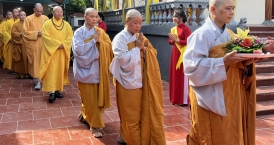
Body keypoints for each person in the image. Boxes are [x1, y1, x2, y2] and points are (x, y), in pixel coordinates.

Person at [183, 0, 258, 145]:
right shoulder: (202, 35)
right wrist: (222, 62)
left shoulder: (230, 35)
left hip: (233, 92)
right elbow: (192, 67)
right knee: (215, 133)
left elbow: (240, 63)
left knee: (231, 132)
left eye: (233, 8)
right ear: (213, 9)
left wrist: (252, 58)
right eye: (228, 8)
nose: (232, 12)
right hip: (212, 96)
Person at [109, 9, 166, 144]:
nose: (138, 26)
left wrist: (144, 49)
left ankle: (124, 136)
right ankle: (133, 140)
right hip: (126, 82)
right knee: (130, 116)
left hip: (141, 81)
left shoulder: (139, 37)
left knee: (141, 113)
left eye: (140, 23)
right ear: (127, 21)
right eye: (135, 23)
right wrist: (138, 49)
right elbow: (123, 60)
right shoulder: (120, 39)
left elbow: (152, 52)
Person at [72, 8, 113, 138]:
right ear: (85, 17)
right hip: (84, 70)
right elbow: (78, 51)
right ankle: (94, 124)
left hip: (98, 70)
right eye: (92, 17)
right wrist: (93, 41)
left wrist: (100, 42)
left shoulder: (100, 32)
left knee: (95, 99)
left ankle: (89, 118)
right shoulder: (79, 32)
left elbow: (109, 47)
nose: (95, 19)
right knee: (88, 97)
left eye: (96, 17)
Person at [39, 6, 73, 103]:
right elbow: (45, 36)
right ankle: (51, 92)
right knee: (51, 71)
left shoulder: (66, 24)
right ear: (53, 13)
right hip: (51, 52)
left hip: (62, 52)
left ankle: (58, 89)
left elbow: (70, 36)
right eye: (57, 11)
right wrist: (57, 44)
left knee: (59, 71)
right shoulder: (47, 24)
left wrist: (64, 44)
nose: (59, 13)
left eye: (61, 12)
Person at [23, 3, 49, 89]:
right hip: (34, 45)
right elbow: (25, 32)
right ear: (34, 9)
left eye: (41, 11)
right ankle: (37, 81)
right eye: (38, 11)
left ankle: (46, 80)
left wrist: (44, 33)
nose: (40, 13)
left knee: (45, 62)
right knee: (36, 64)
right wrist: (36, 34)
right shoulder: (28, 19)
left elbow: (50, 30)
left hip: (45, 44)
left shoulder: (45, 18)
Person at [168, 9, 191, 105]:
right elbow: (170, 42)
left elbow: (189, 41)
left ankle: (183, 100)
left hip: (183, 55)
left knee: (182, 76)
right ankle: (175, 99)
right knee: (175, 75)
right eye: (173, 16)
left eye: (176, 17)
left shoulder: (186, 29)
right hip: (175, 53)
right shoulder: (173, 29)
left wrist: (177, 40)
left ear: (181, 18)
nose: (174, 18)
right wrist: (172, 40)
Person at [11, 11, 28, 79]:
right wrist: (19, 34)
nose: (23, 16)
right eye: (21, 15)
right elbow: (13, 33)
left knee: (27, 59)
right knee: (20, 59)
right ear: (19, 16)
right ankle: (21, 73)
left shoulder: (28, 24)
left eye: (24, 15)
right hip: (19, 44)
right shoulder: (15, 24)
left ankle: (29, 73)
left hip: (27, 44)